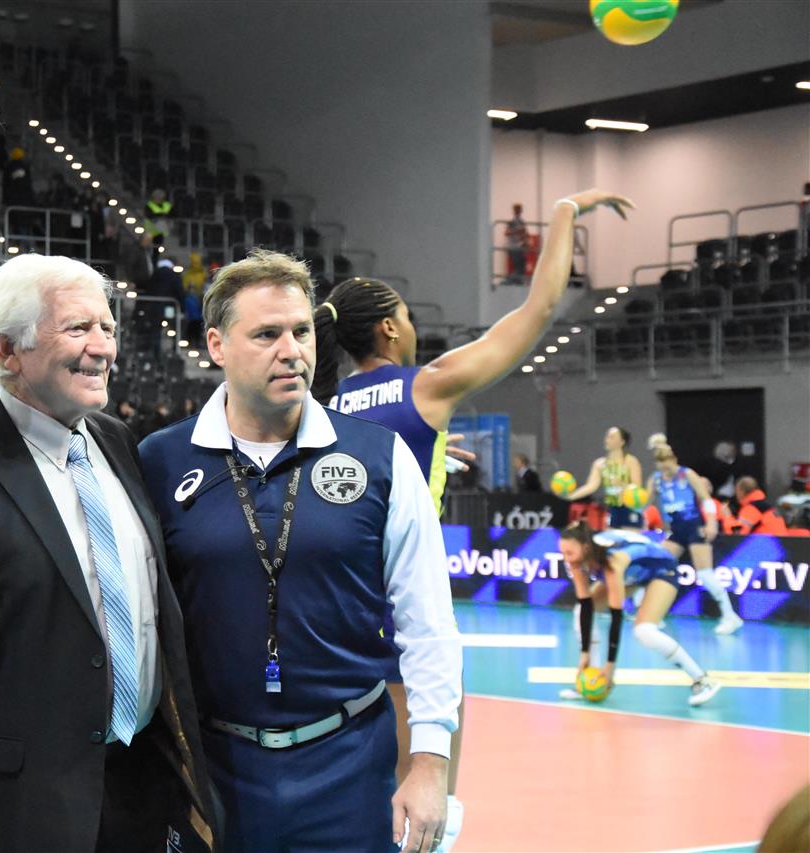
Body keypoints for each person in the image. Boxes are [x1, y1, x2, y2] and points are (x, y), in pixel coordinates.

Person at [312, 188, 633, 850]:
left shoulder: (328, 404)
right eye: (407, 317)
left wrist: (429, 448)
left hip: (336, 603)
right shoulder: (426, 385)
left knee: (362, 773)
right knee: (424, 790)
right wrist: (566, 211)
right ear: (390, 329)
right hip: (401, 601)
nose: (412, 327)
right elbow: (539, 307)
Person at [139, 250, 461, 853]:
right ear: (216, 345)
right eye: (267, 334)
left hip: (351, 764)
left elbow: (428, 621)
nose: (292, 351)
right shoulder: (161, 460)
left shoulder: (380, 456)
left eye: (302, 331)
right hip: (213, 769)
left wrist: (430, 762)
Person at [0, 253, 219, 852]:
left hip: (142, 783)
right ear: (8, 350)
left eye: (107, 327)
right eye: (78, 328)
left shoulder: (117, 441)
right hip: (17, 808)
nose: (102, 347)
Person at [557, 522, 721, 707]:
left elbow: (616, 616)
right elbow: (586, 606)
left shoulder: (613, 562)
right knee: (581, 610)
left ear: (586, 548)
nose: (566, 559)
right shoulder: (576, 562)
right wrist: (584, 653)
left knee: (645, 630)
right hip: (634, 573)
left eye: (569, 553)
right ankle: (593, 680)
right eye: (563, 553)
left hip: (662, 569)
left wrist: (610, 665)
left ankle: (702, 680)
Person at [646, 444, 742, 635]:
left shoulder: (687, 474)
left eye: (667, 462)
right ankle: (652, 615)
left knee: (705, 574)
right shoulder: (655, 479)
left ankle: (730, 617)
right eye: (660, 463)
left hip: (694, 528)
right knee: (656, 566)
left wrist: (712, 523)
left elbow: (706, 499)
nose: (664, 467)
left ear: (674, 460)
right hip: (676, 532)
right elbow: (645, 502)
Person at [565, 426, 644, 530]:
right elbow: (591, 486)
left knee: (630, 537)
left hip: (630, 508)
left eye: (612, 437)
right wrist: (570, 497)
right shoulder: (600, 464)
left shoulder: (631, 461)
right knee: (611, 537)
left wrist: (622, 485)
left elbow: (637, 488)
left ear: (622, 442)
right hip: (612, 508)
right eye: (607, 436)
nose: (607, 439)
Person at [505, 203, 527, 283]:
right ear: (514, 211)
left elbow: (524, 233)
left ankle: (518, 281)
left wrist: (525, 242)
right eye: (517, 210)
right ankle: (509, 280)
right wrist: (516, 230)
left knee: (522, 265)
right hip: (513, 246)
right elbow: (506, 233)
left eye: (519, 210)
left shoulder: (522, 222)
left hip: (519, 246)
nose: (518, 211)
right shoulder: (511, 222)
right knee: (517, 265)